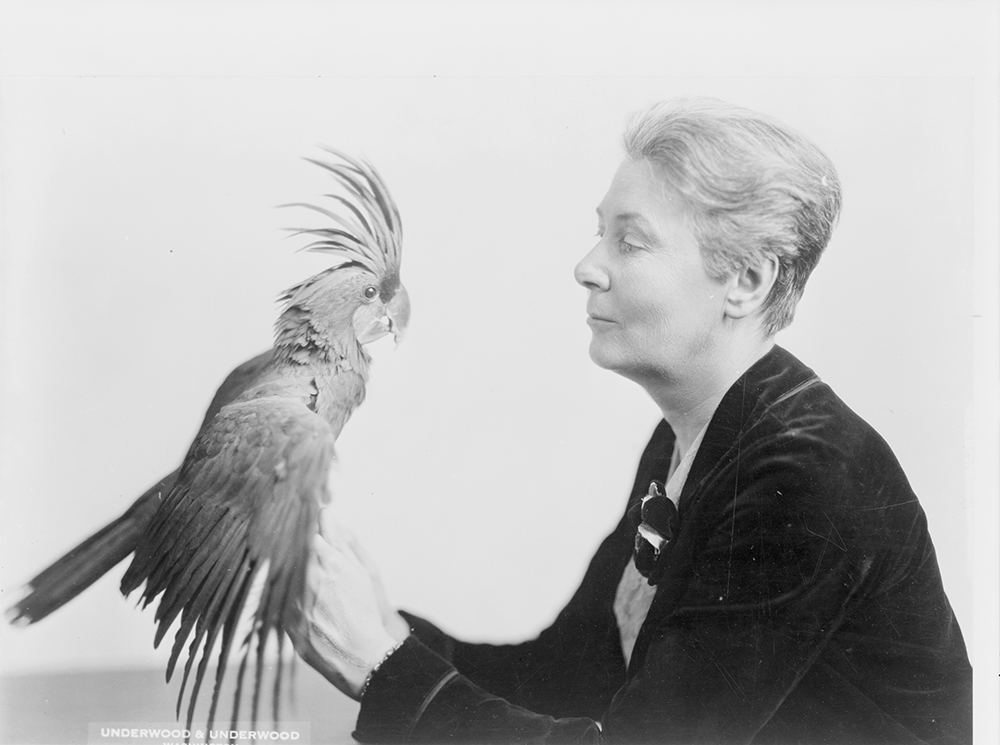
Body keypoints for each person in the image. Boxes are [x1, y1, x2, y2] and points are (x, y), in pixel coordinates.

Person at [288, 97, 973, 744]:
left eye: (631, 241)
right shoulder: (692, 438)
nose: (587, 267)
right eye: (599, 233)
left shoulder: (805, 475)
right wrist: (381, 629)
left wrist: (381, 665)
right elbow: (567, 677)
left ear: (748, 281)